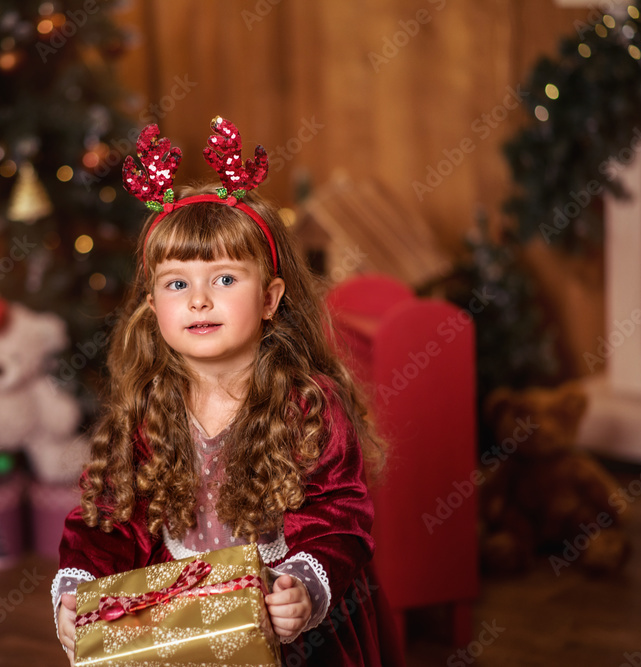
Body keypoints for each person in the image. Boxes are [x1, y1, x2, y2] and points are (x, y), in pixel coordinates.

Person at [52, 118, 404, 666]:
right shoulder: (147, 407)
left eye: (223, 279)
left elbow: (340, 515)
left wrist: (302, 588)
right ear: (152, 305)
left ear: (269, 298)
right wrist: (76, 595)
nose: (198, 300)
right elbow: (109, 516)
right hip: (181, 624)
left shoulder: (306, 404)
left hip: (290, 629)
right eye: (176, 284)